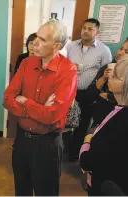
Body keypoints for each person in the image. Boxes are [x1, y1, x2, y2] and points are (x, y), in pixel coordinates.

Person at [3, 20, 77, 196]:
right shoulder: (27, 63)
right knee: (22, 190)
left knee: (46, 192)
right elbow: (7, 99)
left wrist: (25, 102)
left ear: (56, 45)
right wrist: (39, 108)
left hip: (47, 144)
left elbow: (52, 115)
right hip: (22, 141)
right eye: (36, 36)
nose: (34, 42)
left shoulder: (68, 70)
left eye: (42, 39)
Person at [79, 55, 128, 196]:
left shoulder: (122, 120)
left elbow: (89, 161)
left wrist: (87, 141)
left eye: (116, 75)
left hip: (109, 186)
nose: (110, 75)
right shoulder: (116, 108)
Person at [67, 18, 112, 161]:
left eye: (90, 29)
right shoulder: (71, 46)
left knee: (82, 123)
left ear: (97, 32)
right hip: (70, 92)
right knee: (66, 122)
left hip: (89, 94)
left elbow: (107, 73)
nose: (85, 31)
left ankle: (74, 154)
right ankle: (62, 149)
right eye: (84, 28)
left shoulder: (104, 51)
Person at [87, 38, 128, 127]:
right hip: (99, 120)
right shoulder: (107, 67)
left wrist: (109, 96)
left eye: (126, 52)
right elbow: (90, 94)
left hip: (119, 123)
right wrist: (104, 77)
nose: (120, 53)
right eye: (121, 49)